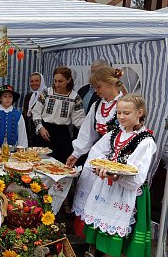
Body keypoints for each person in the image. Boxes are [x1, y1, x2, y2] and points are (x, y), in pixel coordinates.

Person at [75, 94, 156, 257]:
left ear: (139, 113)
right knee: (103, 237)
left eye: (126, 113)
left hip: (128, 193)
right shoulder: (114, 134)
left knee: (119, 242)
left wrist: (116, 175)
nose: (121, 117)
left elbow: (136, 174)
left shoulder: (145, 141)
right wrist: (98, 166)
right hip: (107, 190)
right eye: (119, 113)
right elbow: (96, 153)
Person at [67, 66, 125, 236]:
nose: (95, 91)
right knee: (88, 190)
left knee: (105, 199)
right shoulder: (97, 105)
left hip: (115, 159)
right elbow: (87, 132)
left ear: (109, 83)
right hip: (97, 156)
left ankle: (102, 241)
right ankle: (88, 239)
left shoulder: (124, 105)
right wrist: (76, 154)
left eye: (98, 87)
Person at [32, 66, 85, 163]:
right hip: (45, 131)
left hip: (62, 135)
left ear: (68, 80)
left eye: (60, 81)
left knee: (59, 164)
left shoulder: (75, 97)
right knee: (39, 163)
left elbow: (78, 120)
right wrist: (40, 127)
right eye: (55, 81)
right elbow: (36, 112)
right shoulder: (46, 92)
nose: (57, 84)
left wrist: (89, 130)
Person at [22, 72, 47, 146]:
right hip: (29, 131)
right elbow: (25, 112)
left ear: (41, 82)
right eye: (32, 81)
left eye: (36, 81)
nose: (34, 83)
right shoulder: (29, 95)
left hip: (41, 130)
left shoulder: (46, 95)